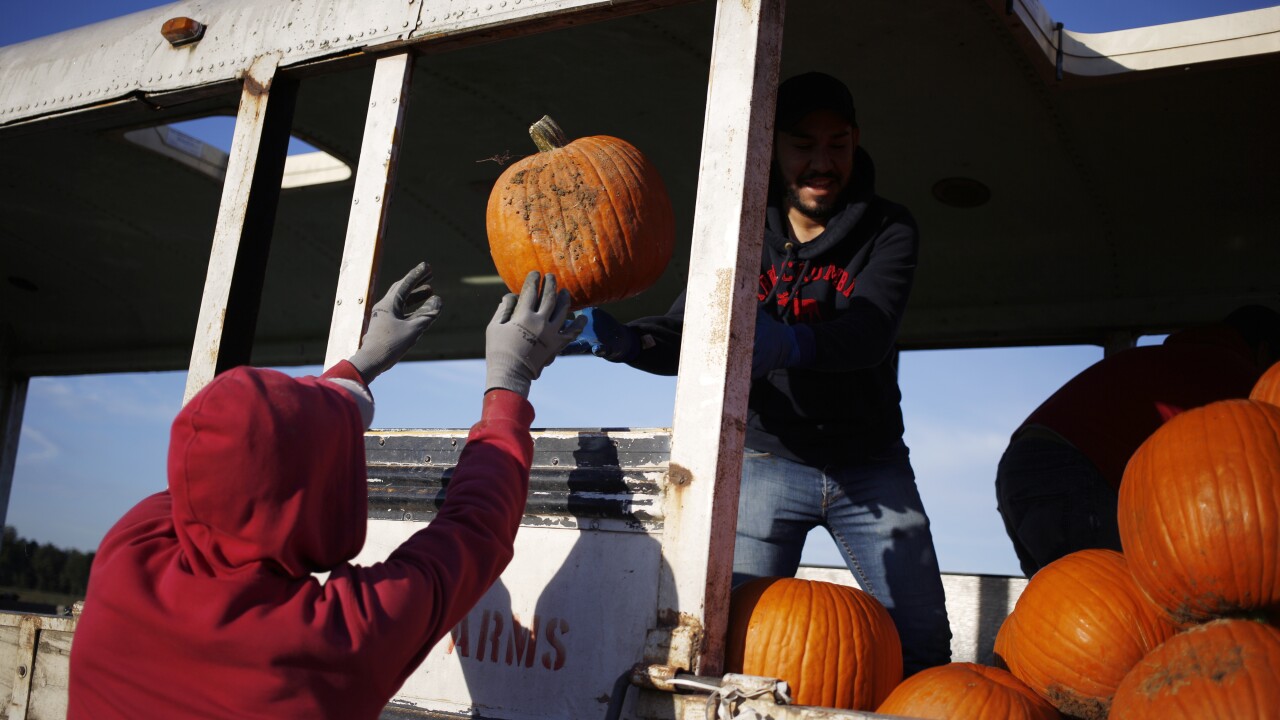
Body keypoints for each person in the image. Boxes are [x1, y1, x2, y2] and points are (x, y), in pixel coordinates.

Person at [68, 265, 585, 719]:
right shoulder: (335, 638)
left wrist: (356, 370)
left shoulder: (127, 552)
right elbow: (473, 530)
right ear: (313, 499)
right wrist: (509, 383)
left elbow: (223, 464)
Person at [563, 71, 952, 675]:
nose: (823, 162)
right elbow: (690, 335)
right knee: (724, 638)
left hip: (872, 466)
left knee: (924, 646)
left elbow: (868, 336)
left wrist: (790, 343)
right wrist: (624, 339)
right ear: (772, 145)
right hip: (767, 461)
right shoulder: (737, 230)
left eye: (838, 144)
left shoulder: (889, 228)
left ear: (856, 142)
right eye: (804, 144)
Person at [995, 304, 1280, 578]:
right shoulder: (1238, 376)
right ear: (1265, 350)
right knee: (1126, 600)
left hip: (1021, 467)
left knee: (1055, 603)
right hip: (1071, 471)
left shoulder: (1177, 359)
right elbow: (1254, 466)